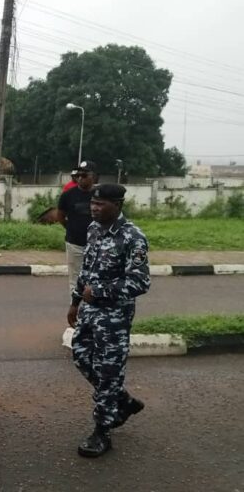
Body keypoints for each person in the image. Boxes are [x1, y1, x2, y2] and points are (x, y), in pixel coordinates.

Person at [67, 183, 150, 458]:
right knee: (80, 355)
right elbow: (87, 269)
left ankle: (102, 431)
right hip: (90, 311)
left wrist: (100, 291)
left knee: (109, 370)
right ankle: (122, 400)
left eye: (101, 204)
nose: (94, 207)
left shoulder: (132, 237)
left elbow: (140, 281)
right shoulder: (93, 229)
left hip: (114, 316)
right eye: (93, 202)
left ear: (118, 205)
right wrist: (76, 300)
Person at [56, 161, 98, 294]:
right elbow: (60, 217)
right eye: (78, 175)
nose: (80, 178)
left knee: (96, 277)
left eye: (84, 175)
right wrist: (71, 228)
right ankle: (75, 307)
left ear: (93, 176)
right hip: (75, 244)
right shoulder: (68, 195)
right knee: (75, 279)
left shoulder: (100, 195)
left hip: (98, 244)